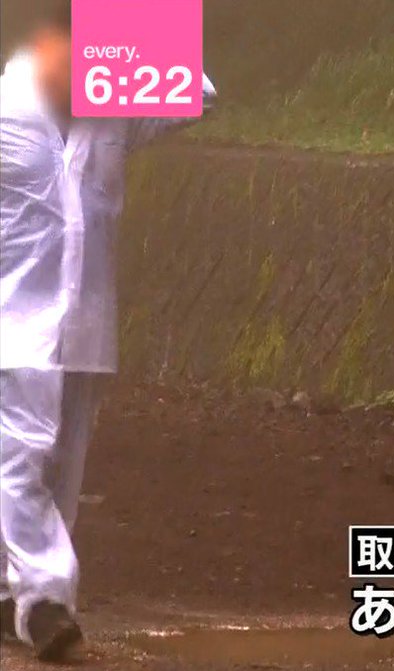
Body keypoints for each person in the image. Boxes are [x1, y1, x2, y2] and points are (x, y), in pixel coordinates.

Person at [0, 4, 215, 661]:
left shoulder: (114, 106)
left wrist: (124, 36)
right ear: (45, 45)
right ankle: (47, 599)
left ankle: (13, 592)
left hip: (86, 323)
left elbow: (201, 91)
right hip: (13, 319)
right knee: (19, 455)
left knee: (62, 467)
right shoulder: (8, 108)